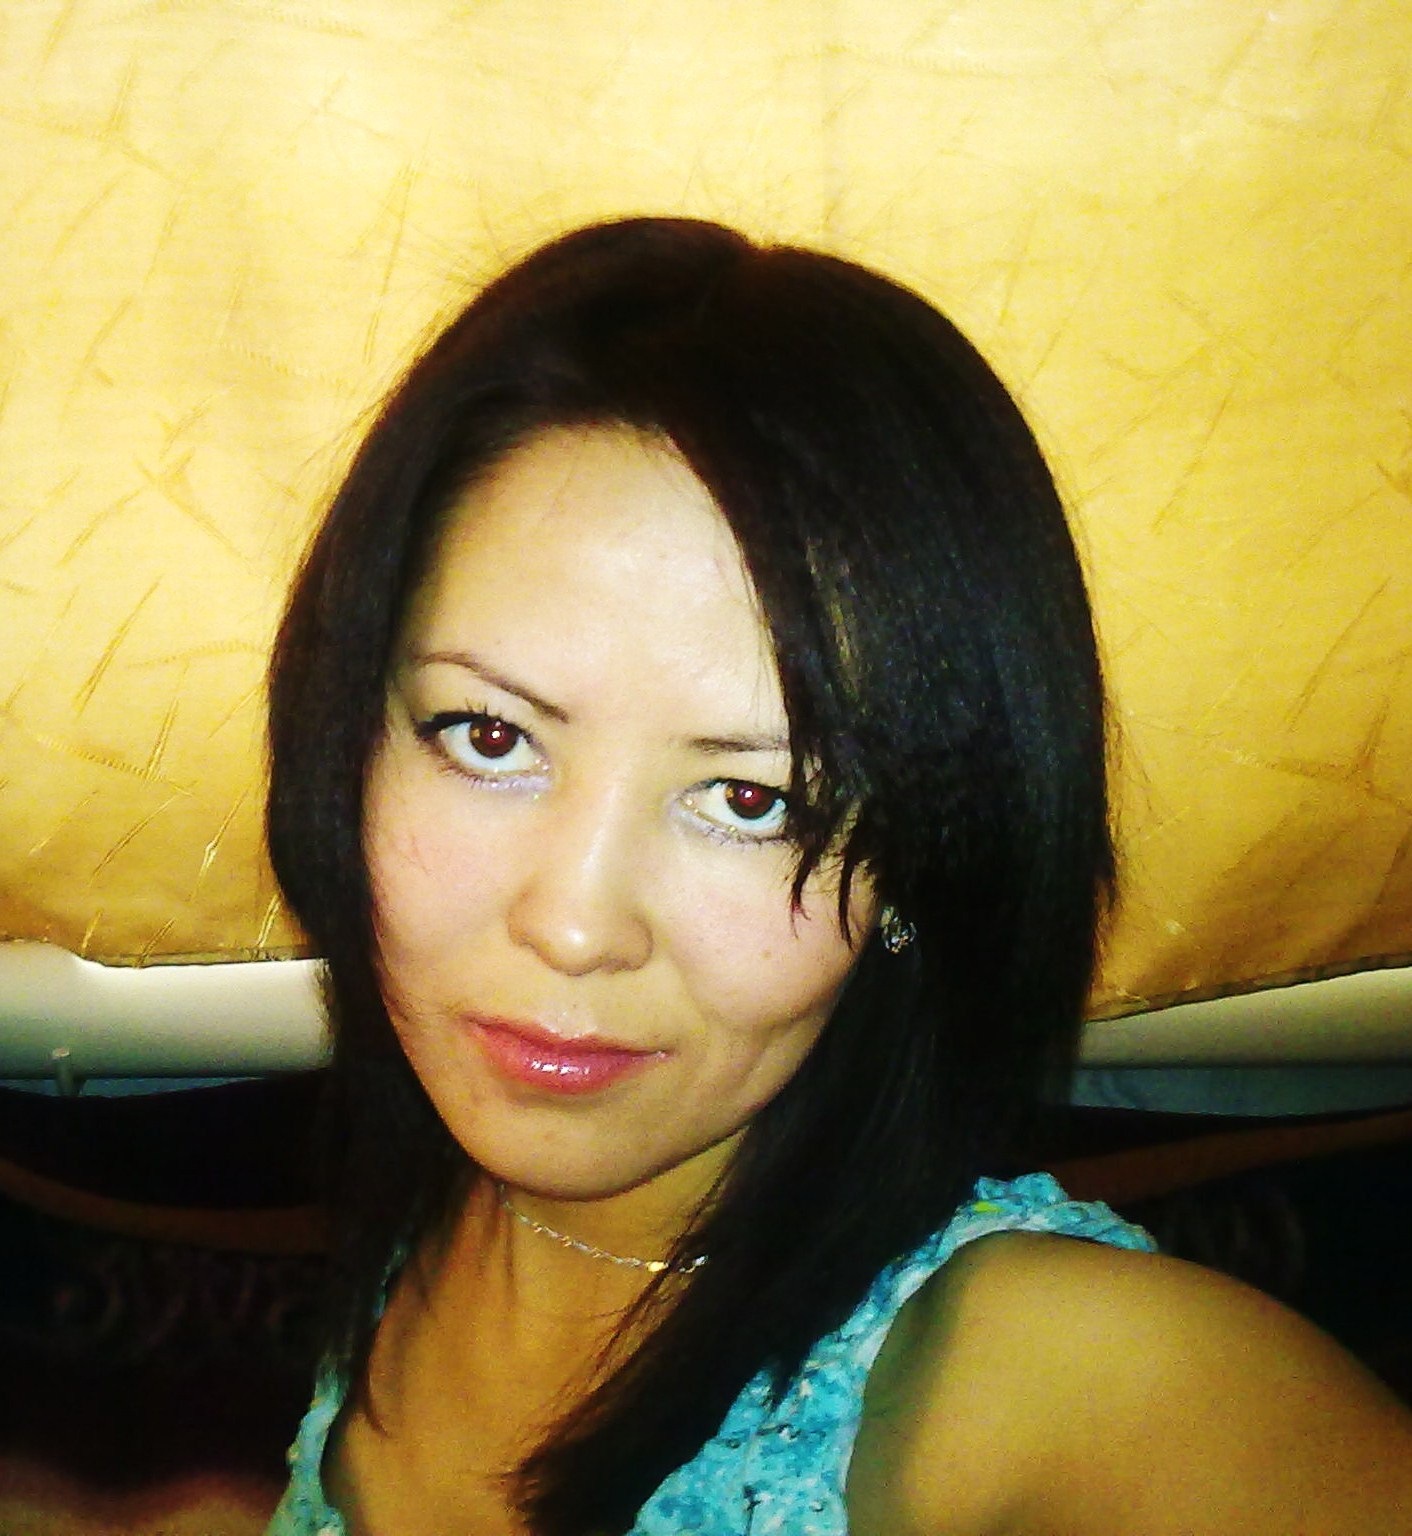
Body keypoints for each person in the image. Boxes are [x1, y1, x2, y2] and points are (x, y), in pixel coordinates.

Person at [263, 217, 1412, 1536]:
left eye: (751, 802)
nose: (572, 926)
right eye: (489, 737)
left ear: (926, 858)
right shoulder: (431, 1186)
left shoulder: (1062, 1383)